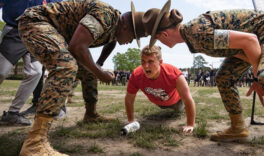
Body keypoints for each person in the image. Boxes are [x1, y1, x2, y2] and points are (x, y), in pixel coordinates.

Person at [16, 0, 163, 155]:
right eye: (133, 37)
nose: (131, 41)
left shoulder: (114, 27)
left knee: (89, 69)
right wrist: (100, 74)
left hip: (58, 33)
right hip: (36, 22)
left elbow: (111, 42)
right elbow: (77, 47)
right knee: (66, 66)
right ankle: (34, 142)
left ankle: (90, 114)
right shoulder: (105, 15)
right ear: (126, 26)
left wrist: (98, 65)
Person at [144, 0, 264, 141]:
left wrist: (258, 76)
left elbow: (249, 40)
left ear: (164, 34)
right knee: (224, 78)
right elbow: (239, 48)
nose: (160, 43)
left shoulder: (198, 34)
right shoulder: (193, 37)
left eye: (157, 39)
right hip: (256, 41)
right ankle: (238, 127)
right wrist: (257, 69)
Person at [0, 0, 63, 126]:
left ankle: (13, 113)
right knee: (1, 72)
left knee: (36, 72)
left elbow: (58, 9)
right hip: (14, 31)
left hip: (35, 35)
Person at [125, 45, 195, 133]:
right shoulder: (136, 75)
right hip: (159, 102)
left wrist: (190, 124)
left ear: (160, 62)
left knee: (180, 107)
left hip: (176, 102)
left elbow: (188, 100)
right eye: (143, 61)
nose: (146, 66)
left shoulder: (174, 74)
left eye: (151, 61)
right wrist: (131, 121)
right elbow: (129, 99)